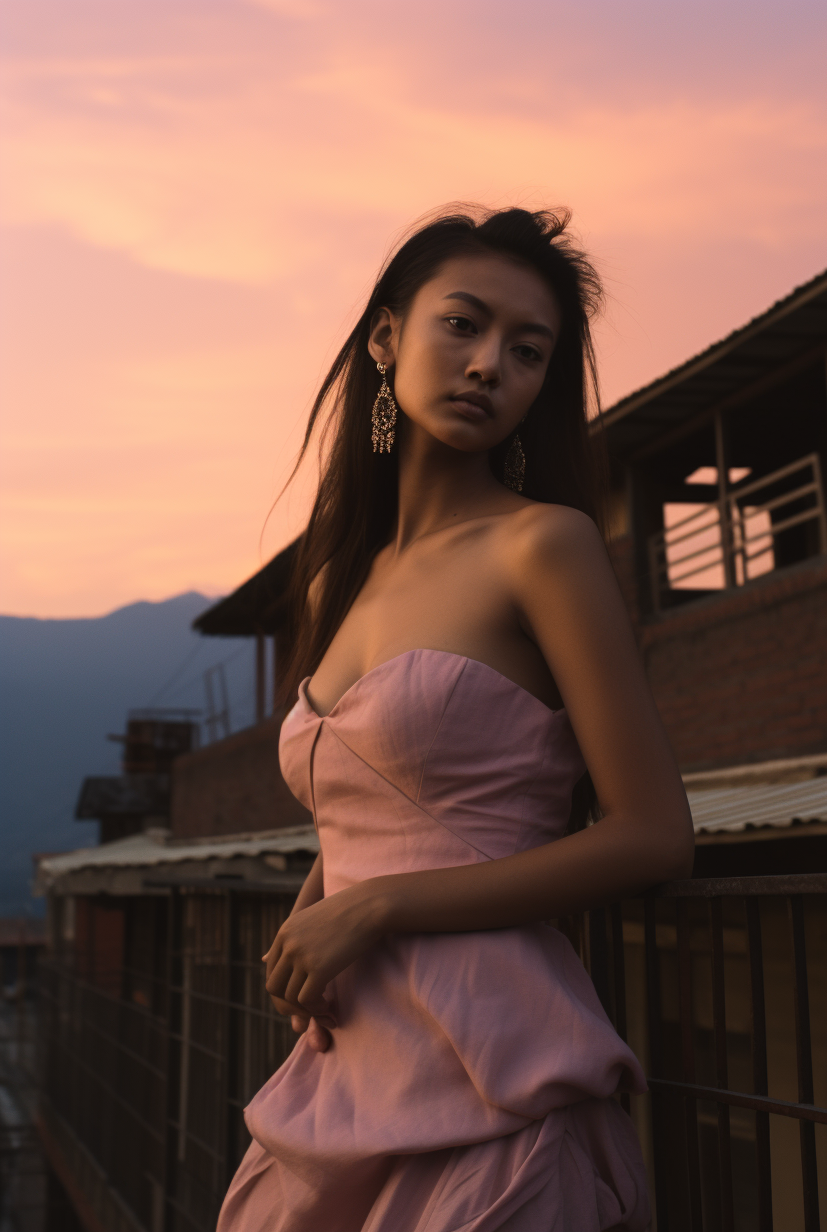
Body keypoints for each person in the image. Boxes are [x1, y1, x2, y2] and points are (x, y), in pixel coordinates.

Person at [217, 205, 693, 1232]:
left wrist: (377, 908)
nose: (490, 366)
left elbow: (653, 832)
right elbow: (369, 801)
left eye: (528, 352)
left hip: (492, 1064)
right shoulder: (334, 585)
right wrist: (319, 902)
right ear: (386, 338)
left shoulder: (543, 546)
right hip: (344, 1061)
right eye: (463, 326)